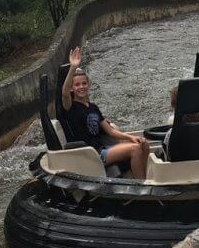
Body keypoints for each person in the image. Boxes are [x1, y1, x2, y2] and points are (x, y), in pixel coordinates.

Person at [60, 45, 151, 178]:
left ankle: (143, 178)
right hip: (91, 155)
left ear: (88, 85)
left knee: (143, 144)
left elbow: (111, 131)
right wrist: (73, 67)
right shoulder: (70, 107)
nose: (81, 87)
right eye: (77, 85)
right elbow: (64, 93)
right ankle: (143, 186)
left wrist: (132, 137)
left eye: (84, 83)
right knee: (135, 149)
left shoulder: (93, 107)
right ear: (72, 88)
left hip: (103, 150)